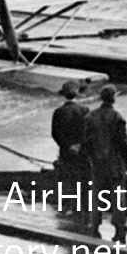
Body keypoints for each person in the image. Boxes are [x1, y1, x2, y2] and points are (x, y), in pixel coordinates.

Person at [82, 85, 127, 243]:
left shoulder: (90, 117)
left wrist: (90, 157)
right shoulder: (118, 117)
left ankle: (94, 226)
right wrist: (126, 159)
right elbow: (124, 143)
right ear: (113, 98)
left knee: (96, 194)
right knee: (118, 196)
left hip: (97, 162)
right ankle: (118, 229)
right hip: (115, 163)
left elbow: (86, 142)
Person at [51, 82, 89, 212]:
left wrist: (68, 146)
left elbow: (55, 133)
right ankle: (82, 208)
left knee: (67, 179)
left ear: (64, 96)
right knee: (82, 179)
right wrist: (79, 145)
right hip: (82, 152)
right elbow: (88, 132)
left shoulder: (58, 112)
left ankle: (67, 207)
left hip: (65, 152)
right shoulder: (84, 110)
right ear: (77, 95)